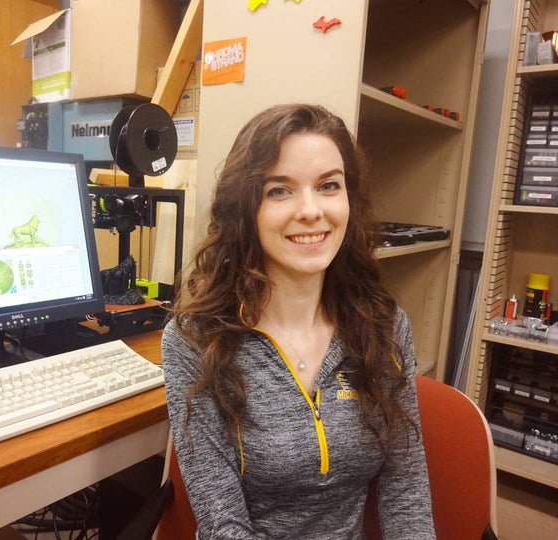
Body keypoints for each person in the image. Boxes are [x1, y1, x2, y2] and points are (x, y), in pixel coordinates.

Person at [161, 103, 436, 539]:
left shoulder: (383, 324)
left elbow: (406, 486)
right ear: (245, 209)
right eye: (279, 190)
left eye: (329, 185)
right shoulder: (196, 338)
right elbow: (221, 523)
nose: (311, 211)